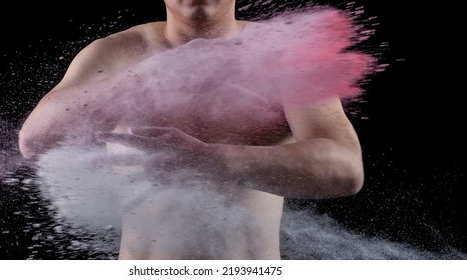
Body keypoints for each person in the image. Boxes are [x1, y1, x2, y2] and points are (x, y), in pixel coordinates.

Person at [18, 0, 364, 259]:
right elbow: (37, 142)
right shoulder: (116, 54)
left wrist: (208, 159)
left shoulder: (284, 56)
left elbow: (346, 169)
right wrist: (143, 79)